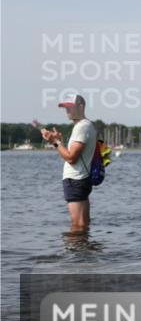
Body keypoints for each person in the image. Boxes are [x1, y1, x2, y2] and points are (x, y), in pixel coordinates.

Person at [40, 94, 97, 233]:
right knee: (83, 224)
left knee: (77, 225)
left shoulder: (81, 127)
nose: (67, 111)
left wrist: (55, 142)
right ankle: (84, 252)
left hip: (75, 180)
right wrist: (60, 142)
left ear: (81, 106)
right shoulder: (85, 125)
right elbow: (73, 155)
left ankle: (75, 253)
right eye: (65, 107)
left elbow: (71, 158)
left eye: (70, 107)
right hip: (81, 179)